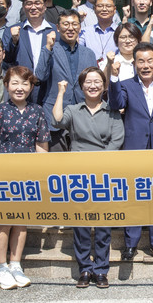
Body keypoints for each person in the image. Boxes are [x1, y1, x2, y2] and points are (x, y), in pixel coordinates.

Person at [53, 67, 125, 288]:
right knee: (81, 223)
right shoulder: (74, 110)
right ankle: (85, 268)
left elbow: (117, 140)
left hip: (103, 173)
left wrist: (99, 161)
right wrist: (61, 92)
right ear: (82, 86)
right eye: (88, 82)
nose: (93, 86)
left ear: (104, 86)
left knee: (103, 224)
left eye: (97, 82)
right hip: (79, 173)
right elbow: (57, 120)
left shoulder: (112, 111)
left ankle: (101, 269)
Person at [109, 42, 153, 262]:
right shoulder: (126, 85)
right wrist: (113, 77)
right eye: (141, 61)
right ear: (135, 64)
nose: (146, 65)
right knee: (135, 198)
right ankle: (130, 244)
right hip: (135, 150)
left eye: (150, 61)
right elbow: (116, 104)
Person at [0, 66, 50, 290]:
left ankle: (15, 264)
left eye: (25, 83)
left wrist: (41, 174)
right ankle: (0, 267)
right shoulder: (0, 110)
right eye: (15, 83)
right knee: (4, 220)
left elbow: (42, 145)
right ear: (6, 85)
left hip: (28, 175)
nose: (19, 88)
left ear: (31, 87)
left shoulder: (37, 111)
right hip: (4, 173)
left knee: (21, 220)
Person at [36, 9, 98, 151]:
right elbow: (40, 76)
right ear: (58, 28)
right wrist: (48, 47)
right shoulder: (51, 50)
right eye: (66, 24)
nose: (70, 28)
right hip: (55, 118)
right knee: (58, 161)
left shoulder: (88, 53)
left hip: (83, 117)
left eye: (74, 24)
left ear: (80, 27)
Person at [3, 0, 57, 104]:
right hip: (21, 90)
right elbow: (6, 60)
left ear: (44, 6)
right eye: (29, 3)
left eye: (37, 3)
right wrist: (14, 41)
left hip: (49, 90)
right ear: (23, 6)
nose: (33, 7)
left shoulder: (55, 30)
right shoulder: (12, 30)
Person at [79, 0, 120, 68]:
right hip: (91, 73)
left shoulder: (121, 32)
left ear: (114, 10)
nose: (104, 9)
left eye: (108, 6)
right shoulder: (85, 32)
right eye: (100, 6)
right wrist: (78, 22)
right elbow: (77, 50)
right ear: (94, 9)